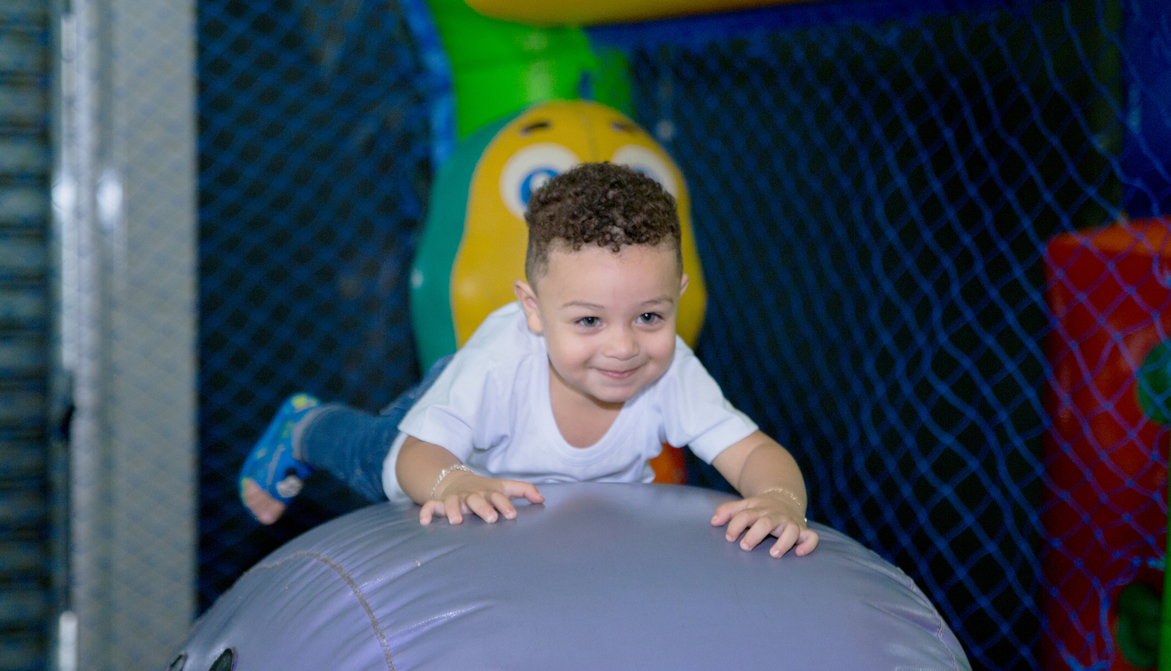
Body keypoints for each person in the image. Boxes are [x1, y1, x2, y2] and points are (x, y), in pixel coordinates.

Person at [239, 162, 818, 557]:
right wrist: (453, 481)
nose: (623, 347)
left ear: (678, 297)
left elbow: (756, 454)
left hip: (559, 526)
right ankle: (305, 425)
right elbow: (419, 457)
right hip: (459, 417)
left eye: (649, 316)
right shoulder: (502, 365)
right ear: (533, 310)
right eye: (589, 321)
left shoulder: (668, 370)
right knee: (378, 460)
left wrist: (780, 500)